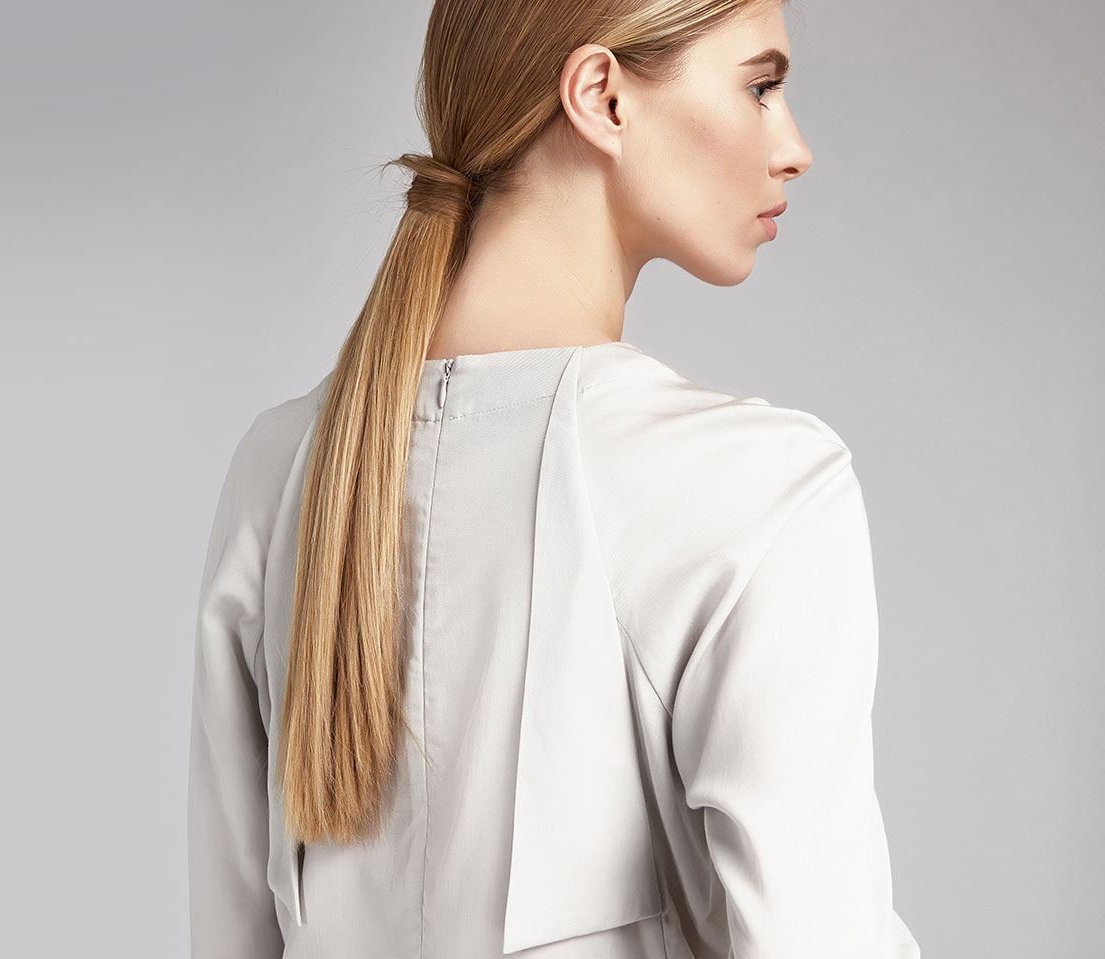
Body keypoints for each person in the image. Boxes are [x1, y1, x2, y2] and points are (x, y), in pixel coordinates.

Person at [185, 1, 923, 957]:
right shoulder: (761, 486)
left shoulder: (279, 467)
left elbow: (229, 932)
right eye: (760, 86)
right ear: (602, 97)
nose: (795, 149)